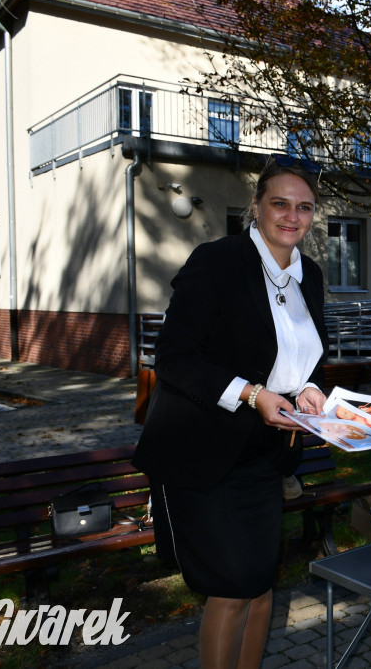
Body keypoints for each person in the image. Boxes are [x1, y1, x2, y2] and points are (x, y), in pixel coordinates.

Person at [132, 156, 329, 669]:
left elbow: (303, 353)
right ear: (256, 208)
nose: (292, 216)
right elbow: (173, 357)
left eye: (303, 206)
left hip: (267, 456)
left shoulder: (312, 276)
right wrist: (250, 393)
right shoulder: (218, 260)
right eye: (280, 203)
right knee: (229, 588)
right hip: (204, 451)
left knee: (260, 582)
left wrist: (309, 387)